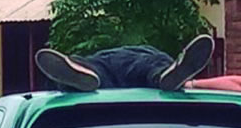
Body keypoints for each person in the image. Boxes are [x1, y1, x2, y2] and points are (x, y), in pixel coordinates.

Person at [34, 35, 215, 91]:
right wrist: (192, 85)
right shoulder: (146, 54)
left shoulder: (100, 59)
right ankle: (164, 76)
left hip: (101, 70)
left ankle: (77, 74)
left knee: (86, 67)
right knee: (152, 67)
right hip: (145, 64)